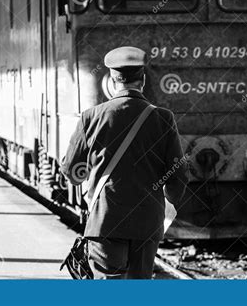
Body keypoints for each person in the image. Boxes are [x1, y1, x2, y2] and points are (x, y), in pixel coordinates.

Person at [61, 46, 188, 279]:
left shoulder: (92, 116)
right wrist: (168, 203)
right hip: (147, 223)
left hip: (105, 221)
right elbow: (178, 177)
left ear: (112, 79)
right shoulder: (163, 118)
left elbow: (71, 171)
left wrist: (90, 177)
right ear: (143, 79)